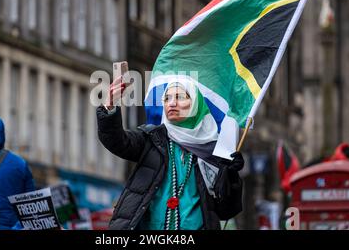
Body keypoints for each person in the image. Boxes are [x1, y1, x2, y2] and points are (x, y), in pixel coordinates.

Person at [97, 76, 244, 230]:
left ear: (195, 104)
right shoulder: (152, 139)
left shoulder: (215, 151)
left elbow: (227, 210)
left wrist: (232, 176)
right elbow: (117, 141)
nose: (172, 103)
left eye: (180, 97)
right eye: (167, 98)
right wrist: (109, 107)